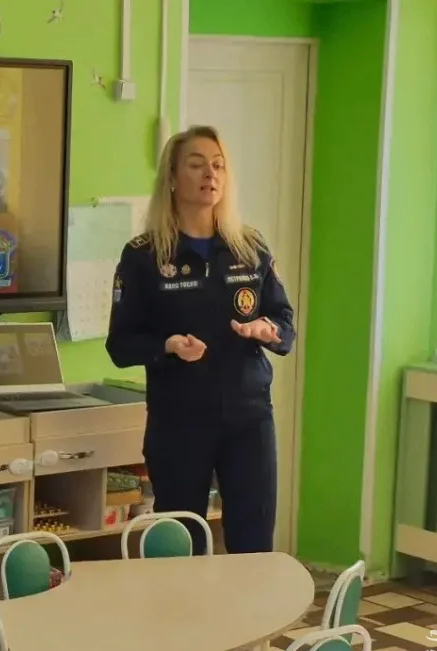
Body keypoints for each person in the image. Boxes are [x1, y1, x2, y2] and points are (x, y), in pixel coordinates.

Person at [106, 125, 296, 556]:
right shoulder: (144, 255)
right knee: (181, 545)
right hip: (180, 420)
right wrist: (168, 345)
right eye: (196, 165)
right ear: (173, 178)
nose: (210, 174)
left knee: (253, 543)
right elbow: (121, 345)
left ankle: (249, 605)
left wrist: (267, 330)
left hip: (248, 417)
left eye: (218, 165)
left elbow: (285, 323)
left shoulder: (249, 246)